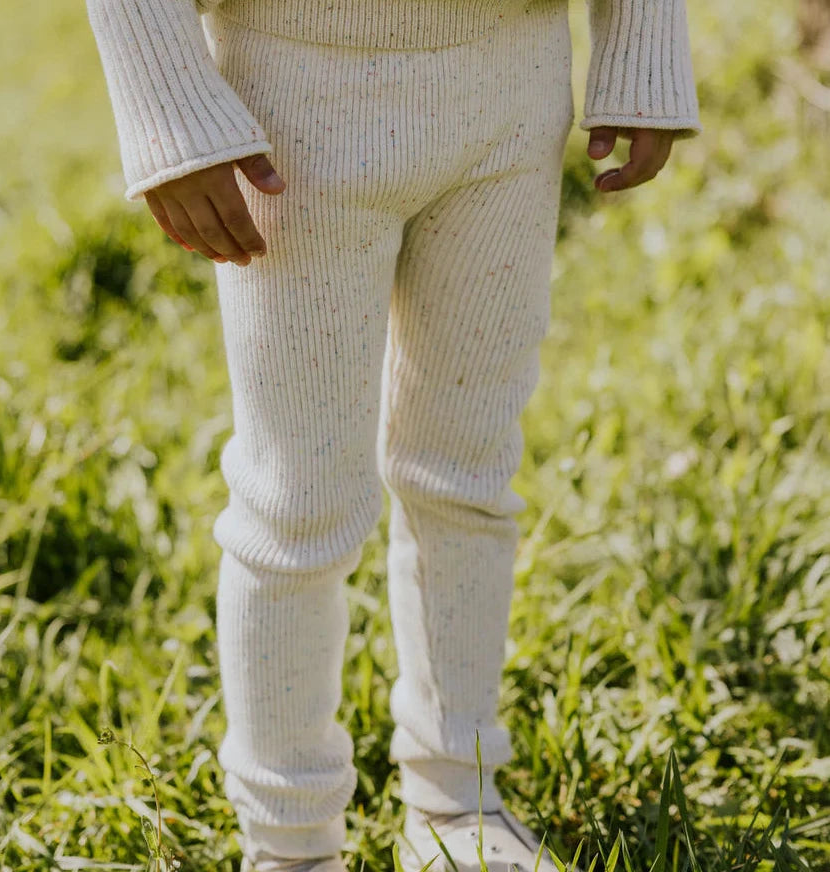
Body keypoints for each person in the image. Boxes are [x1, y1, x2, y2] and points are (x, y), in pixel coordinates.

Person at [84, 1, 700, 869]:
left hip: (511, 88)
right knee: (298, 503)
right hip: (289, 100)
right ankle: (290, 842)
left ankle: (457, 798)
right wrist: (168, 101)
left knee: (467, 467)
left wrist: (642, 41)